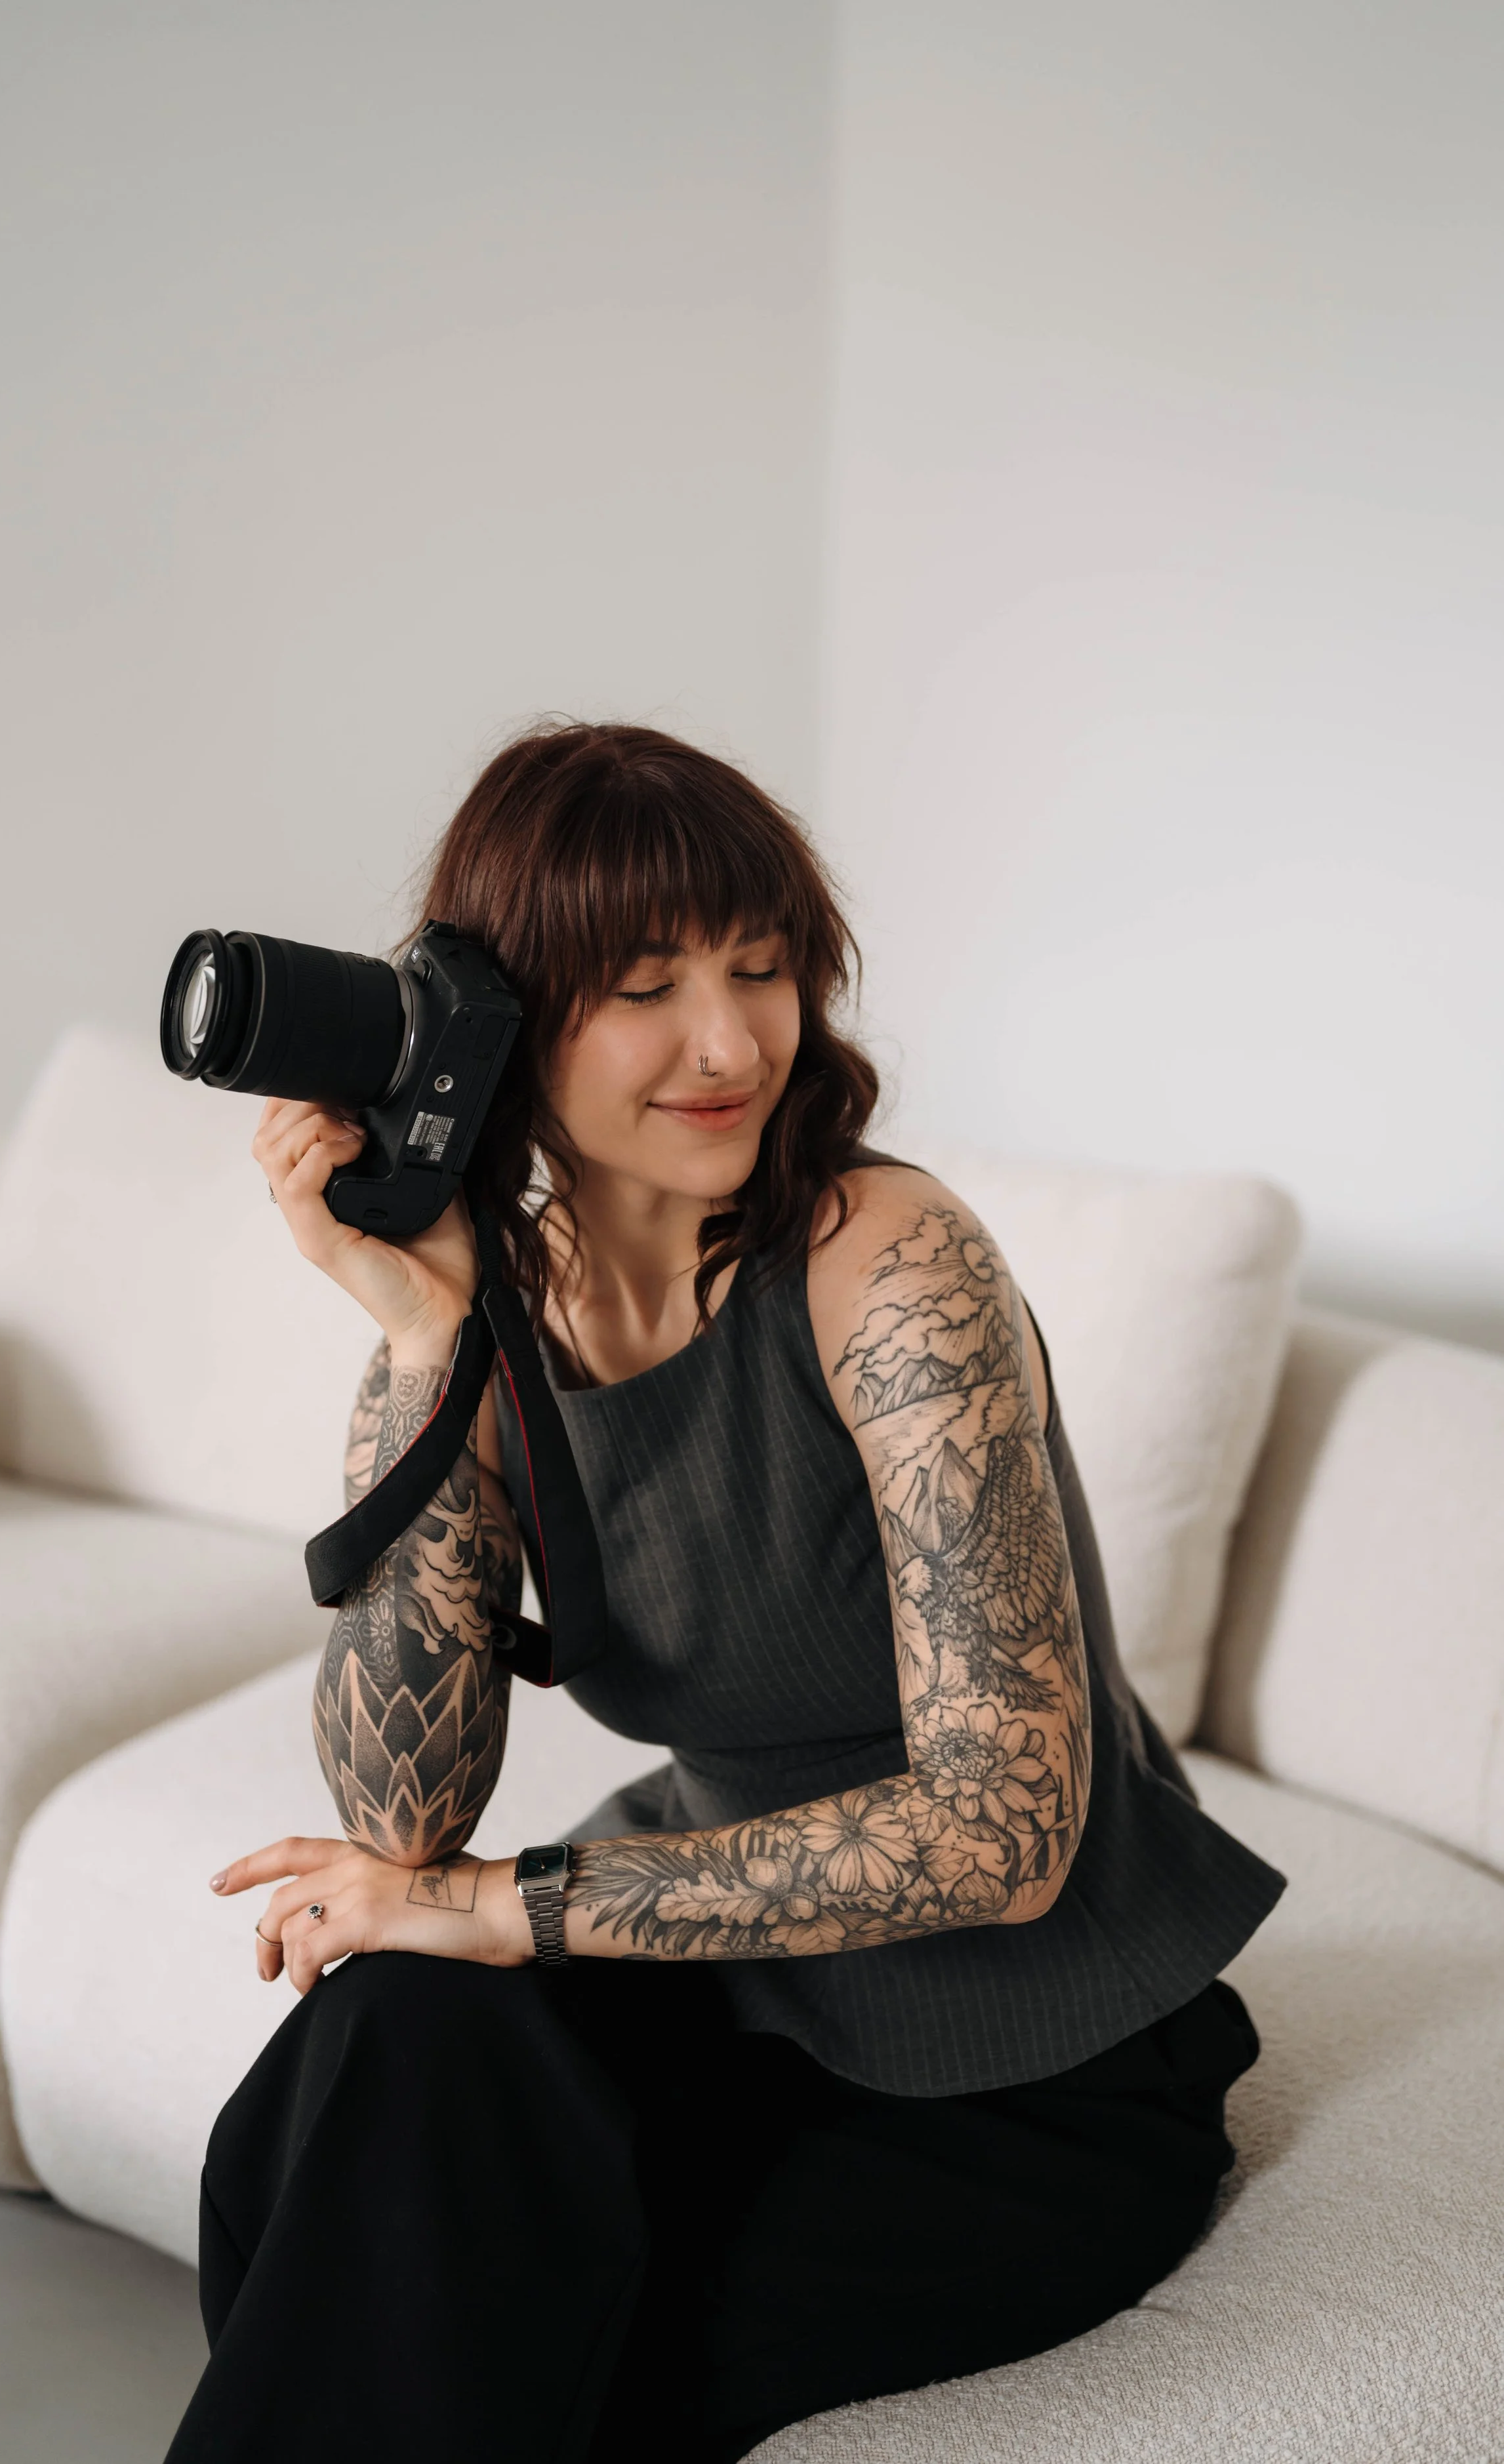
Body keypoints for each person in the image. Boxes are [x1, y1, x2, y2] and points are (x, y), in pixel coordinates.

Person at [163, 722, 1285, 2464]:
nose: (729, 1039)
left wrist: (514, 1901)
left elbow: (1001, 1830)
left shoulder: (883, 1260)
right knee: (380, 2046)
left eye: (761, 969)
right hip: (732, 1988)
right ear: (509, 1013)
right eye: (644, 984)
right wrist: (423, 1338)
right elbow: (397, 1812)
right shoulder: (494, 1288)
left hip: (1028, 2059)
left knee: (503, 2313)